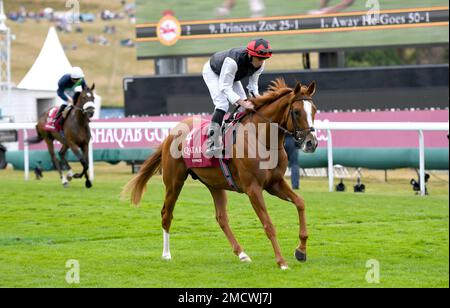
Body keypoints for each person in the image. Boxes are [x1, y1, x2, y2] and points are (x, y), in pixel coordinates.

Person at [202, 38, 272, 157]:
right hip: (213, 72)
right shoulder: (232, 61)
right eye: (259, 58)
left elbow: (253, 88)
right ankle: (212, 142)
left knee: (245, 110)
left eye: (264, 59)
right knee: (222, 104)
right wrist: (242, 102)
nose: (261, 62)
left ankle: (238, 139)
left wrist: (261, 103)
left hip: (232, 76)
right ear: (250, 55)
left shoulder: (261, 64)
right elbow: (225, 87)